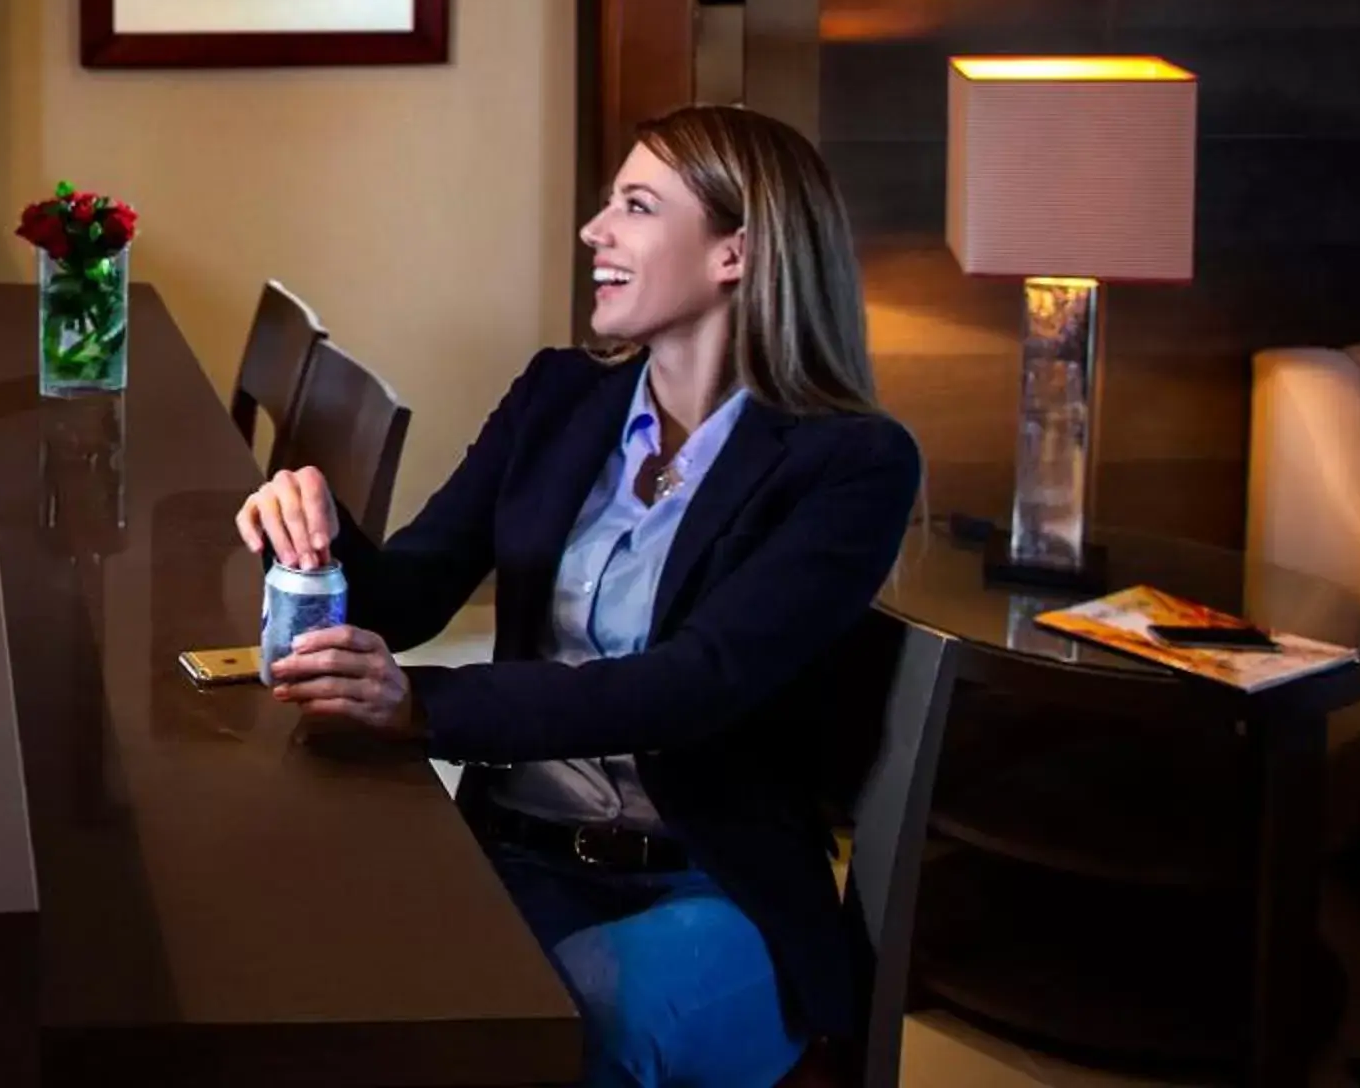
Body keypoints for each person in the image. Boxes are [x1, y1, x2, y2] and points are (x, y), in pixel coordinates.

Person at [238, 105, 919, 1088]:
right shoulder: (559, 395)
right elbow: (415, 587)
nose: (595, 230)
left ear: (736, 250)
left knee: (539, 1035)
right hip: (515, 849)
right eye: (608, 203)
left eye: (636, 206)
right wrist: (314, 532)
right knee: (322, 988)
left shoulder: (851, 463)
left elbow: (695, 681)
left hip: (712, 883)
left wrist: (422, 704)